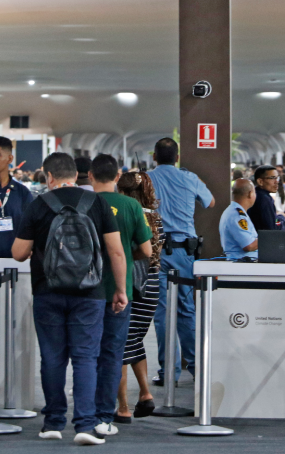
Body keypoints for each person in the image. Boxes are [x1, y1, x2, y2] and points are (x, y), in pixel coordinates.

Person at [11, 152, 128, 445]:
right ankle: (86, 426)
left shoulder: (38, 204)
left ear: (48, 177)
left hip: (47, 292)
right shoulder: (96, 203)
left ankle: (52, 422)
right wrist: (120, 290)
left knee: (52, 358)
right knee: (86, 358)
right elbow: (115, 251)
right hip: (90, 293)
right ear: (76, 175)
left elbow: (18, 253)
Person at [90, 154, 152, 436]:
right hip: (120, 290)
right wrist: (126, 256)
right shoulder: (130, 205)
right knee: (113, 354)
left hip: (85, 290)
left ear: (90, 176)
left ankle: (85, 413)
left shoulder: (83, 204)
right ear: (117, 177)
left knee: (85, 354)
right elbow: (147, 251)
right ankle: (106, 414)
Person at [147, 137, 214, 387]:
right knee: (186, 310)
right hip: (185, 253)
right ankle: (198, 370)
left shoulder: (147, 180)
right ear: (177, 157)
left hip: (157, 251)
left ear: (154, 157)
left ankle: (168, 373)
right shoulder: (190, 178)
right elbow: (210, 202)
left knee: (163, 312)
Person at [114, 171, 164, 424]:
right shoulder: (156, 217)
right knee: (135, 339)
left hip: (131, 282)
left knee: (120, 342)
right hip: (153, 283)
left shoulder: (126, 214)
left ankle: (122, 407)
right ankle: (145, 394)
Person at [220, 179, 259, 261]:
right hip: (241, 266)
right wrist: (268, 240)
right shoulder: (237, 215)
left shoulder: (235, 212)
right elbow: (249, 245)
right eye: (255, 192)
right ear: (250, 194)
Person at [248, 165, 279, 232]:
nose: (276, 181)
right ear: (260, 181)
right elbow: (271, 230)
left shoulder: (255, 195)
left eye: (277, 178)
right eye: (272, 178)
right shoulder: (265, 200)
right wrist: (281, 219)